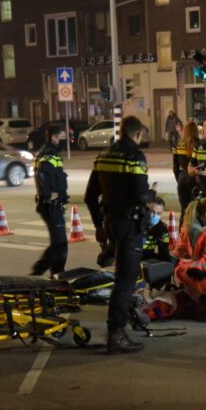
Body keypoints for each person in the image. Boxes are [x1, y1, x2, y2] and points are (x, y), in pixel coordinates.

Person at [84, 115, 156, 354]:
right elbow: (139, 196)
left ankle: (123, 323)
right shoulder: (135, 157)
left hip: (110, 224)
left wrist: (98, 224)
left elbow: (89, 196)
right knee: (125, 281)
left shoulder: (103, 156)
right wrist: (151, 196)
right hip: (129, 226)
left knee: (122, 278)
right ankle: (116, 333)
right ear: (137, 134)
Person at [30, 124, 69, 277]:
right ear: (54, 137)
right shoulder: (47, 155)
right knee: (60, 244)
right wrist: (48, 195)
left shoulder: (52, 153)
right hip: (50, 205)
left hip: (54, 205)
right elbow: (41, 176)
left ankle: (57, 272)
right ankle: (39, 271)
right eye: (62, 137)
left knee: (60, 244)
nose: (65, 140)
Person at [176, 121, 201, 218]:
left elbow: (175, 166)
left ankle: (182, 232)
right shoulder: (200, 145)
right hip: (195, 179)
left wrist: (179, 179)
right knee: (196, 212)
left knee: (184, 211)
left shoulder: (179, 145)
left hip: (182, 178)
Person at [142, 196, 171, 263]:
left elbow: (164, 253)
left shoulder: (162, 229)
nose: (155, 216)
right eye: (152, 212)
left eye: (158, 213)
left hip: (148, 262)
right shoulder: (136, 225)